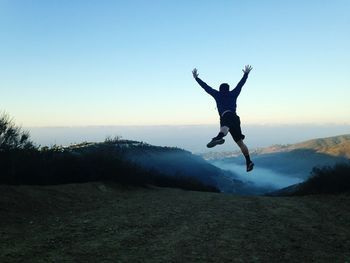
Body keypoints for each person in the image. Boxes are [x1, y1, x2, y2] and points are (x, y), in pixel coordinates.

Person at [192, 65, 254, 172]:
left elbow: (206, 87)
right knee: (240, 142)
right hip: (235, 118)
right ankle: (248, 161)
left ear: (220, 89)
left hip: (226, 115)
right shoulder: (233, 93)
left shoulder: (217, 94)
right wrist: (246, 74)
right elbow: (241, 84)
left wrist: (196, 78)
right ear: (228, 89)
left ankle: (218, 137)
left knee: (224, 127)